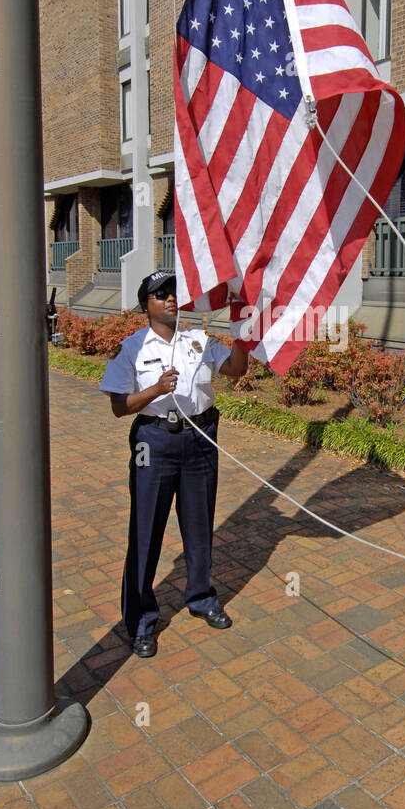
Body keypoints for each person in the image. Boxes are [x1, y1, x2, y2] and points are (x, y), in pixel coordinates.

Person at [99, 270, 247, 657]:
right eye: (159, 294)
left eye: (173, 293)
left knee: (199, 524)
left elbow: (235, 369)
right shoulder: (130, 347)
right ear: (145, 305)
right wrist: (154, 389)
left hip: (199, 438)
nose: (169, 299)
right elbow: (118, 407)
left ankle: (201, 597)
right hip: (154, 442)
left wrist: (245, 337)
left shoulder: (199, 341)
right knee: (146, 530)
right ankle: (142, 619)